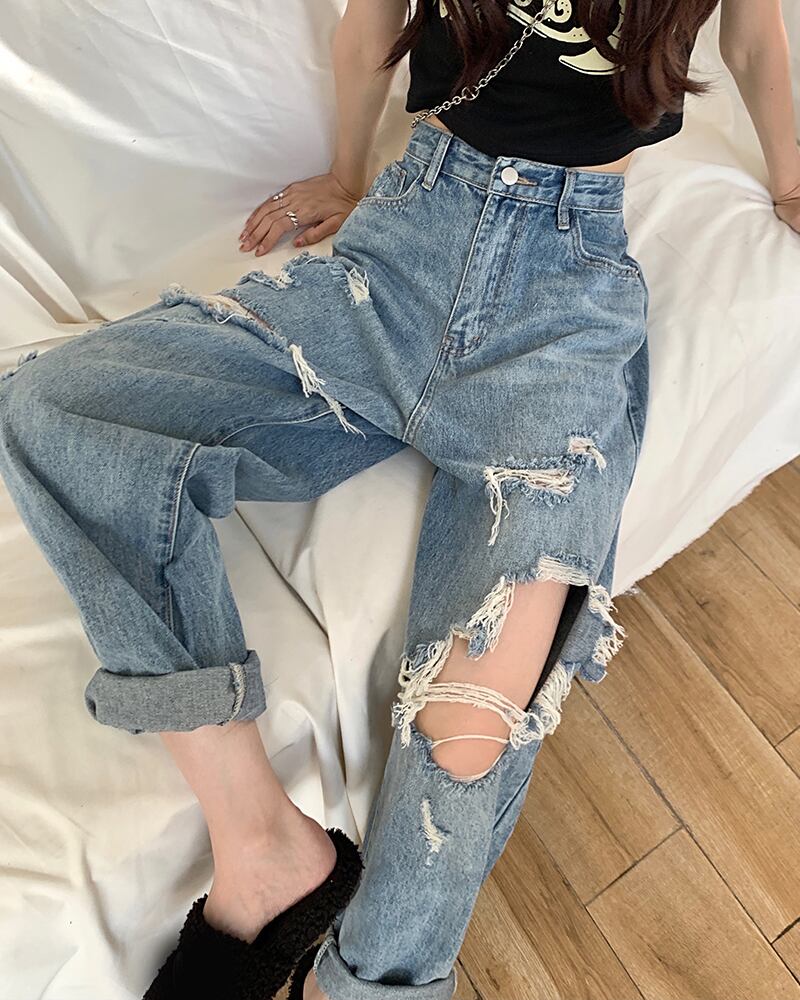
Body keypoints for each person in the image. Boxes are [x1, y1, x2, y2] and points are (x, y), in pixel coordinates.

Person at [0, 1, 797, 998]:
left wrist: (790, 181)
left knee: (469, 729)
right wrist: (345, 176)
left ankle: (369, 987)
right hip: (400, 249)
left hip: (563, 307)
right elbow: (368, 24)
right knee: (58, 411)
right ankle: (260, 842)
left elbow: (754, 36)